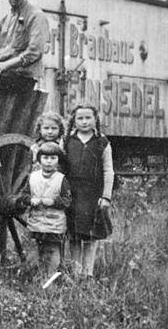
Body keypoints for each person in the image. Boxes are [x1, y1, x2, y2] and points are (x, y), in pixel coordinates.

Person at [64, 105, 114, 279]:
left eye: (88, 118)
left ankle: (88, 274)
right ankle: (76, 272)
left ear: (95, 119)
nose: (84, 122)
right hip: (73, 195)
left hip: (93, 195)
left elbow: (108, 171)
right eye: (80, 118)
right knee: (74, 235)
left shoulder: (102, 142)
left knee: (91, 236)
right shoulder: (67, 141)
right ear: (74, 121)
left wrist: (106, 196)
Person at [21, 141, 72, 282]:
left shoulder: (61, 179)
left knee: (53, 249)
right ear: (39, 159)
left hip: (54, 224)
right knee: (39, 248)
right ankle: (38, 276)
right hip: (36, 222)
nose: (49, 162)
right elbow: (23, 195)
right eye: (45, 158)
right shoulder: (33, 177)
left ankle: (50, 277)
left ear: (58, 160)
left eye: (53, 158)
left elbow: (67, 200)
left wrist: (54, 202)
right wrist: (30, 200)